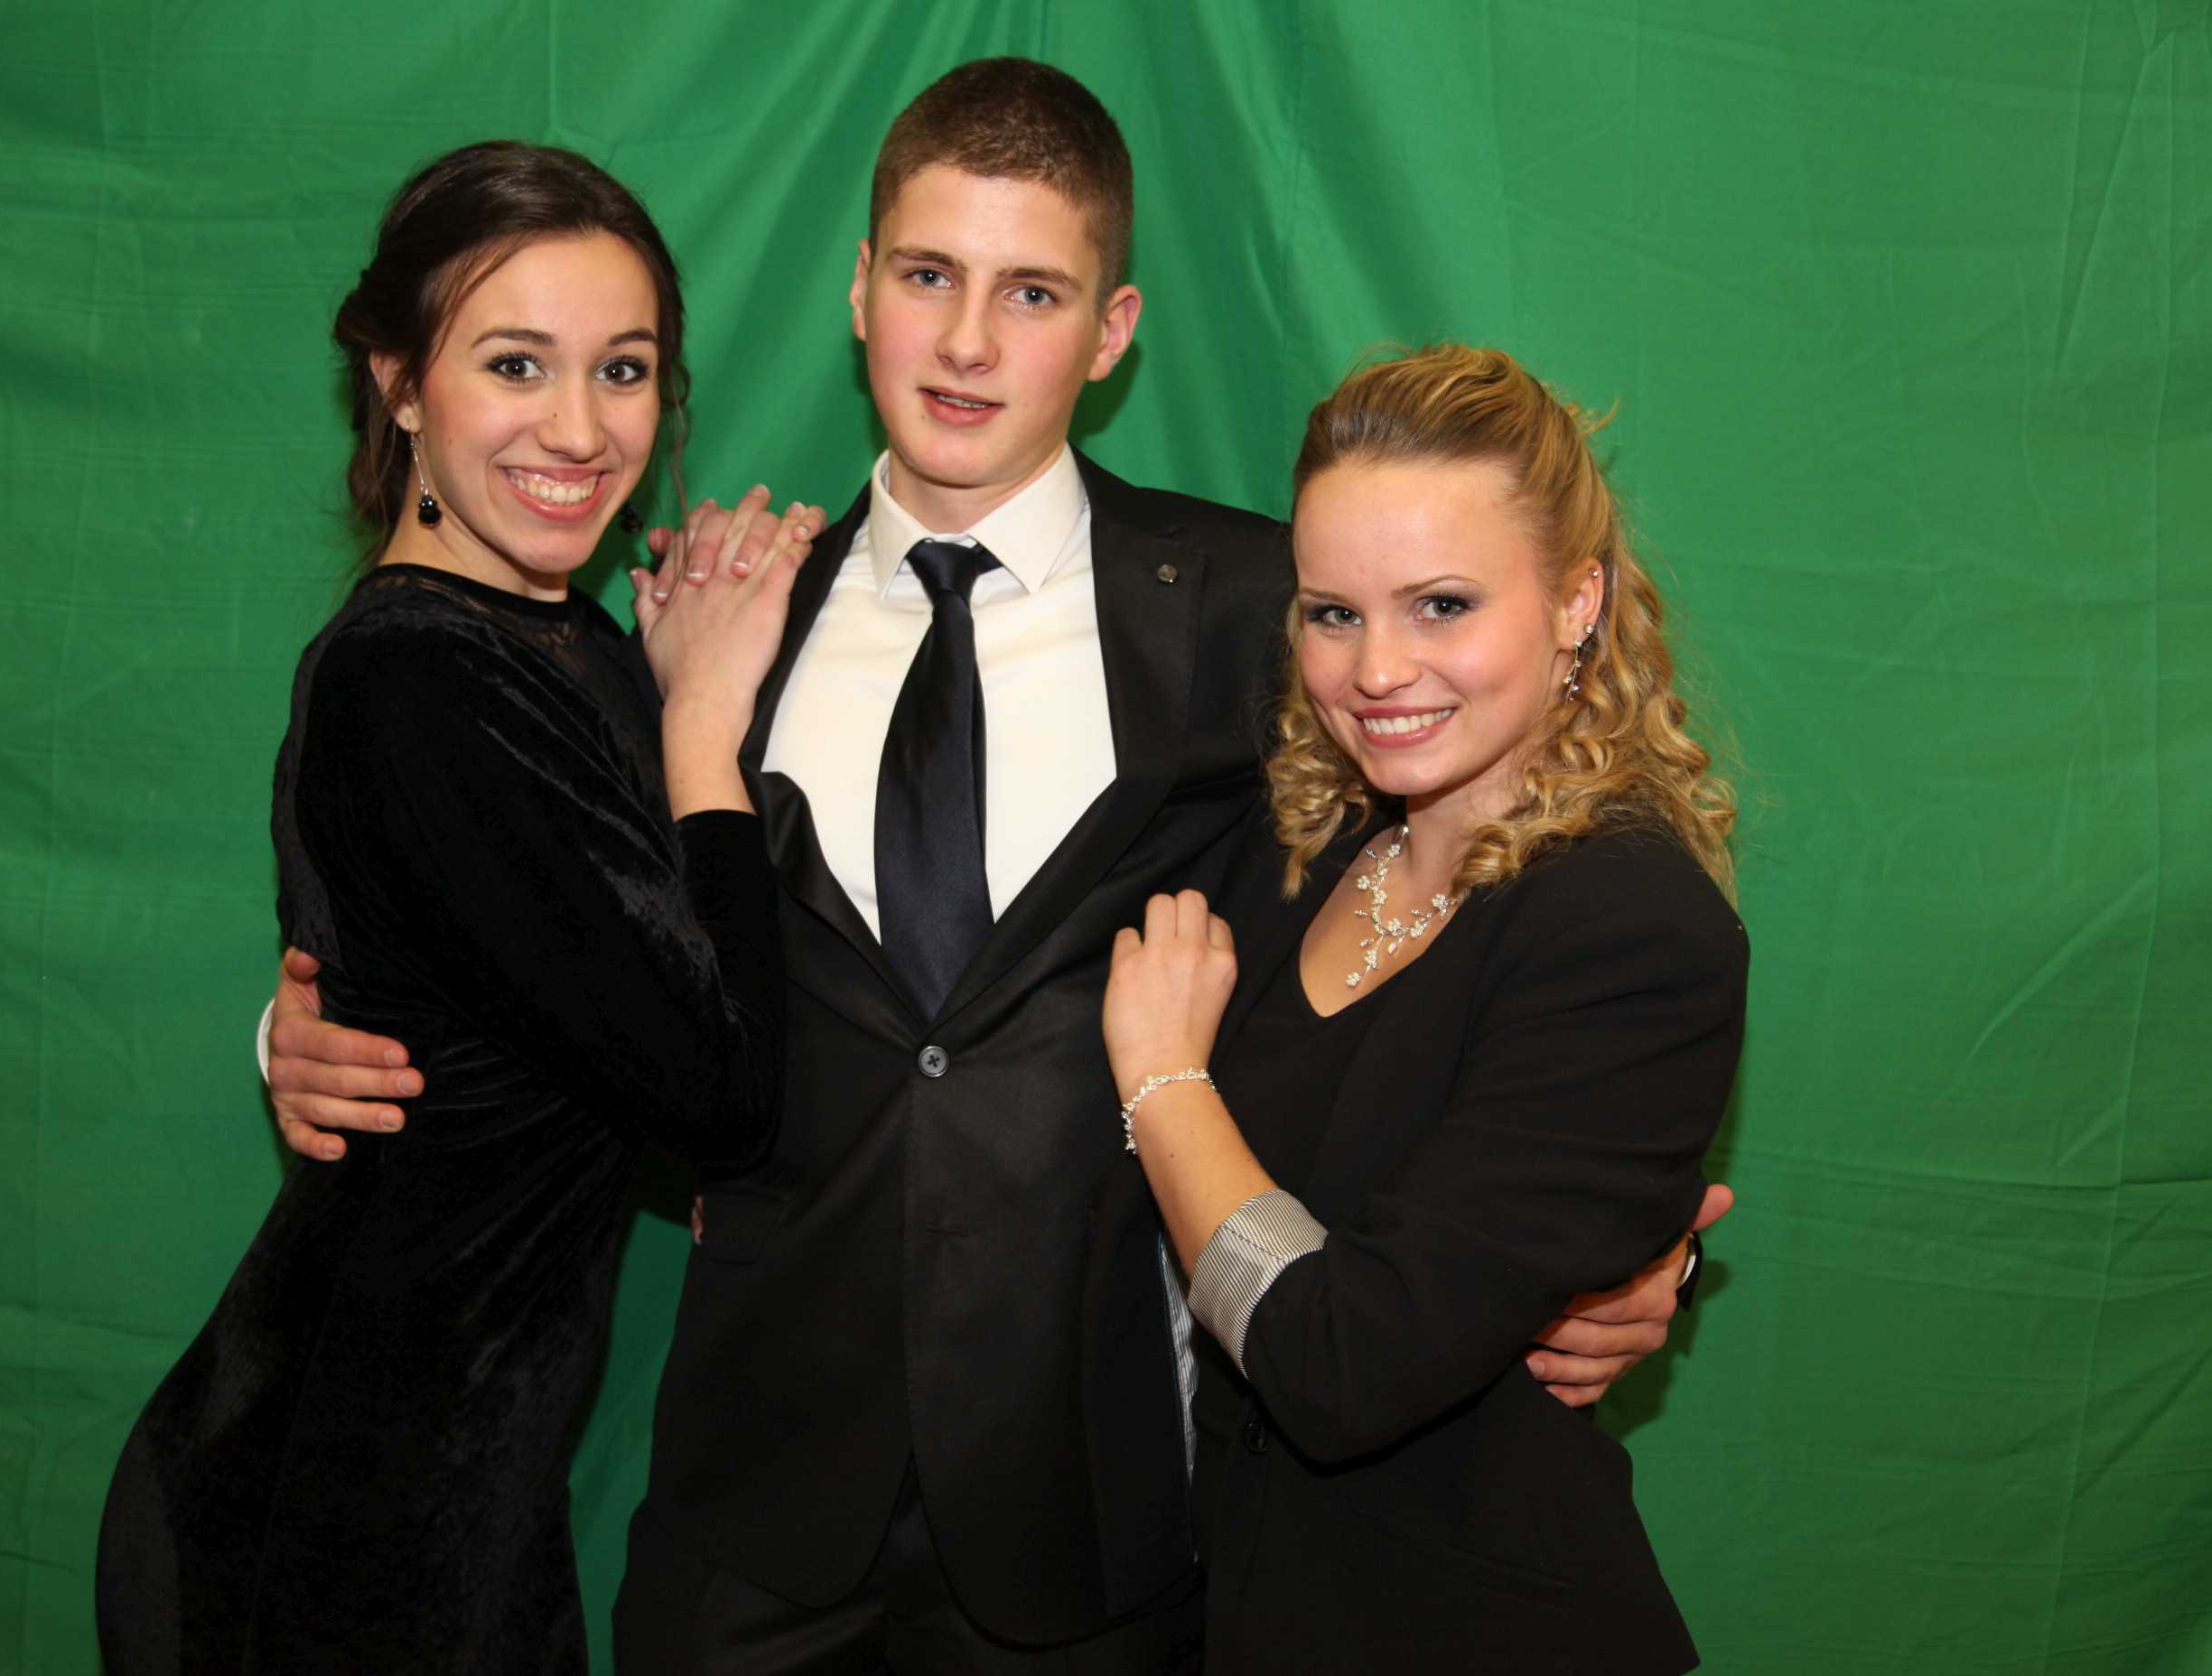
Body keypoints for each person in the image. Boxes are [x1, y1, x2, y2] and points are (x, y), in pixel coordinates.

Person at [262, 64, 1726, 1671]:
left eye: (1031, 292)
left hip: (1100, 1523)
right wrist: (306, 1028)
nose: (967, 344)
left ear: (1111, 332)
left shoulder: (1275, 612)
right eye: (927, 276)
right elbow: (545, 927)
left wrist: (1626, 1243)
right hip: (753, 1521)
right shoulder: (710, 625)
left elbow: (1459, 956)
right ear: (859, 295)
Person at [95, 141, 820, 1672]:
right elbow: (719, 1090)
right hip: (345, 1519)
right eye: (514, 364)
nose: (580, 429)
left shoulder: (562, 642)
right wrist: (705, 728)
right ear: (401, 384)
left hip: (460, 1485)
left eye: (624, 369)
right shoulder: (419, 680)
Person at [1102, 344, 1743, 1671]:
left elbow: (1339, 1368)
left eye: (1442, 605)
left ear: (1577, 602)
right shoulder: (1308, 848)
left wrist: (1165, 1082)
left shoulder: (1631, 923)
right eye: (1332, 613)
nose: (1377, 669)